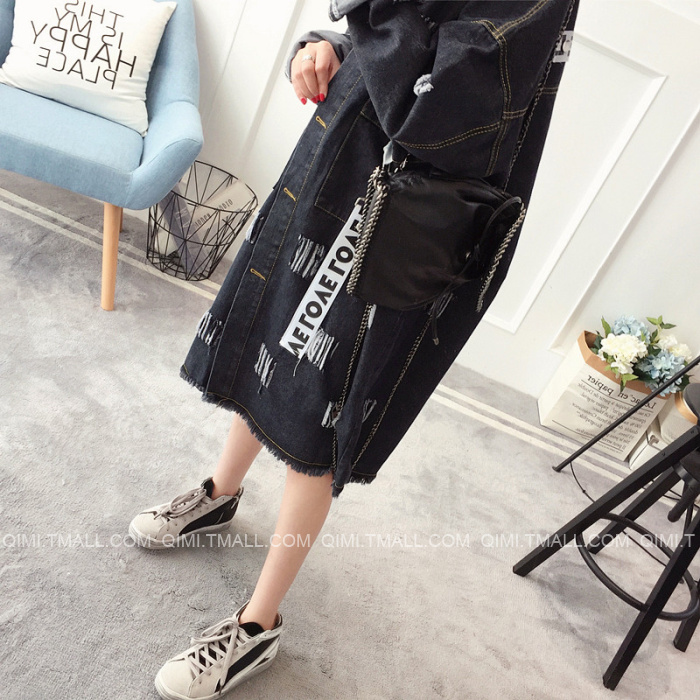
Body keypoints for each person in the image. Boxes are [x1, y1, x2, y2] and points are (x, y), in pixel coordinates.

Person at [129, 1, 580, 697]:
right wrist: (330, 46)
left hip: (406, 198)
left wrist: (366, 17)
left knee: (321, 399)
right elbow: (403, 34)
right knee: (274, 331)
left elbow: (447, 99)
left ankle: (257, 626)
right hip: (343, 148)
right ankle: (219, 494)